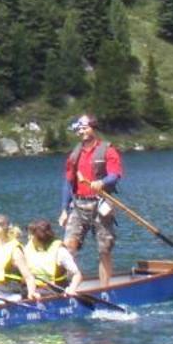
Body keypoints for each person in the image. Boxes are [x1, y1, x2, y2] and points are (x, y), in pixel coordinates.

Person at [61, 113, 123, 283]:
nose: (82, 132)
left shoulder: (108, 150)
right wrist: (64, 210)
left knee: (104, 249)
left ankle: (105, 289)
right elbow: (68, 183)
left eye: (85, 127)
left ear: (93, 128)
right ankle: (69, 286)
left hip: (101, 204)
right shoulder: (74, 155)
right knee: (67, 247)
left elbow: (115, 175)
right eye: (79, 129)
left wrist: (101, 182)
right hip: (78, 204)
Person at [23, 219, 83, 298]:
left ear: (38, 237)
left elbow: (77, 274)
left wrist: (72, 289)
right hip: (33, 289)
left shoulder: (59, 251)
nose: (29, 237)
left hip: (53, 290)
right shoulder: (28, 248)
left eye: (31, 235)